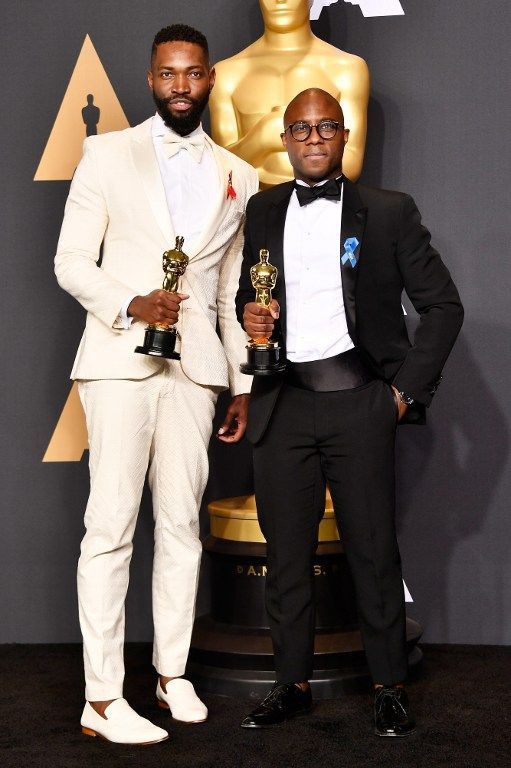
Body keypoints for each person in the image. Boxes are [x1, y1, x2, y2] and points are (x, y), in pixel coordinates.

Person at [236, 88, 463, 736]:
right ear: (284, 138)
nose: (311, 138)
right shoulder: (261, 209)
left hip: (359, 403)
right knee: (285, 557)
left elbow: (443, 308)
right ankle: (291, 684)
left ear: (342, 135)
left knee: (371, 553)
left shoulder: (388, 212)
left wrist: (401, 394)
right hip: (281, 405)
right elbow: (243, 300)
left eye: (324, 127)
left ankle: (388, 685)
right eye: (300, 128)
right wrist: (247, 317)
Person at [55, 24, 258, 745]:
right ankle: (102, 699)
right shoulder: (106, 154)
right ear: (150, 80)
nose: (180, 85)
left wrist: (237, 379)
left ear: (208, 81)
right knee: (109, 530)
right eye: (167, 73)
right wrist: (131, 301)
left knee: (180, 527)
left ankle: (172, 675)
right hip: (117, 361)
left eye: (192, 73)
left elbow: (232, 289)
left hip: (196, 370)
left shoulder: (240, 174)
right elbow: (71, 261)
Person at [210, 0, 369, 186]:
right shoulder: (226, 75)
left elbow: (351, 162)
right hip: (251, 211)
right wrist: (261, 138)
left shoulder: (348, 69)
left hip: (326, 209)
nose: (280, 1)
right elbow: (222, 168)